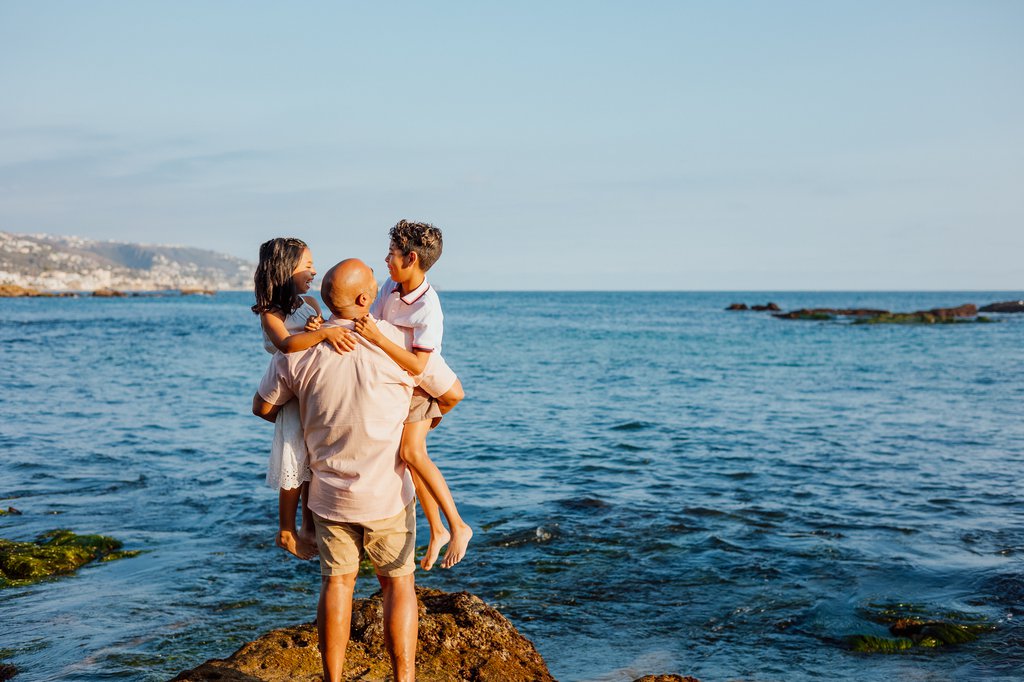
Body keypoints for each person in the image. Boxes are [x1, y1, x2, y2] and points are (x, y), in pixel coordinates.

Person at [252, 258, 422, 682]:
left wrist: (311, 414)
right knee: (398, 585)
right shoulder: (396, 344)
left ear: (325, 301)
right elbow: (448, 391)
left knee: (338, 584)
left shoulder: (299, 351)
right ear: (367, 299)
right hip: (388, 493)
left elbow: (262, 408)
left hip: (329, 498)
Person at [353, 219, 472, 570]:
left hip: (418, 383)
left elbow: (421, 365)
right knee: (410, 457)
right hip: (400, 384)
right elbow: (369, 321)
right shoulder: (391, 285)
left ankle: (457, 525)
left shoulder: (428, 308)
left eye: (392, 254)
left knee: (410, 451)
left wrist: (379, 340)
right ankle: (438, 529)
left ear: (412, 259)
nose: (386, 260)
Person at [252, 237, 355, 560]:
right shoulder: (271, 313)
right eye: (307, 266)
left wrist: (318, 325)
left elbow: (315, 339)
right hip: (290, 391)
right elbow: (286, 344)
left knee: (312, 462)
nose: (314, 271)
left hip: (310, 389)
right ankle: (285, 530)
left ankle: (308, 526)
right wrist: (322, 332)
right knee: (294, 462)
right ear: (285, 270)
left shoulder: (309, 304)